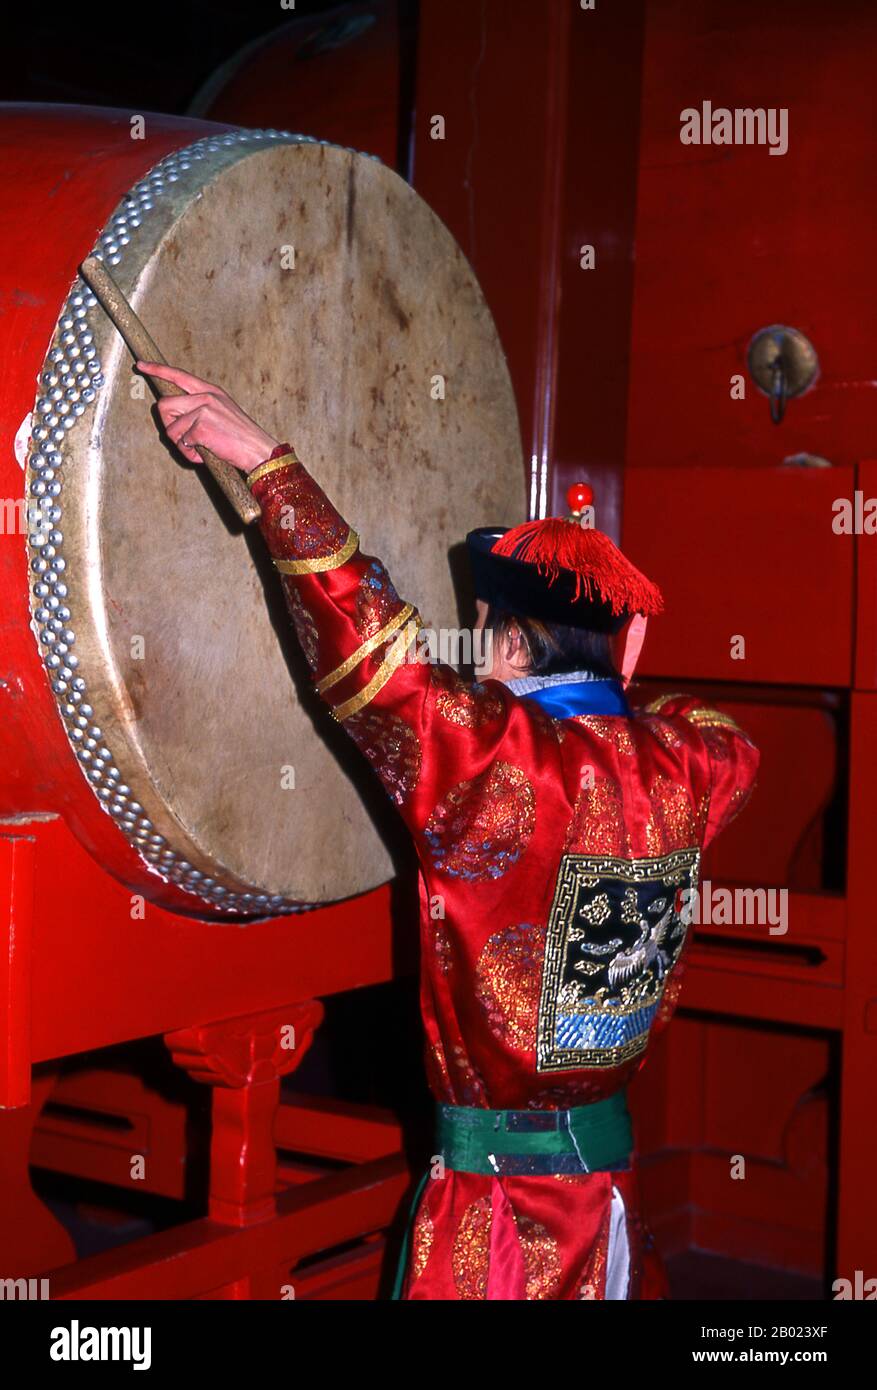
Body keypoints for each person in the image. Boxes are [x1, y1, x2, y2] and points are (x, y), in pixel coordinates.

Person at [137, 360, 760, 1300]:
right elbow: (708, 722)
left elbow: (377, 655)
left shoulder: (495, 759)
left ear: (509, 644)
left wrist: (269, 466)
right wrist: (611, 679)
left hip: (497, 1216)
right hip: (607, 1196)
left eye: (481, 630)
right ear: (626, 650)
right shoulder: (699, 766)